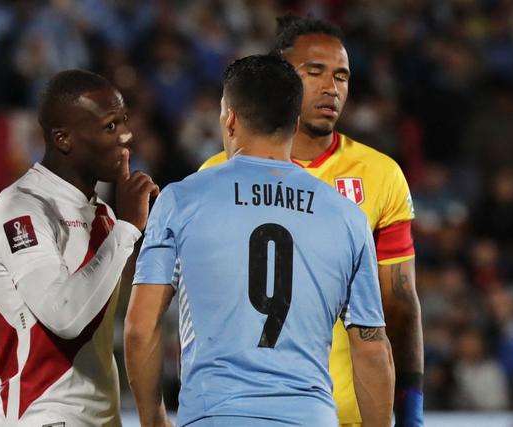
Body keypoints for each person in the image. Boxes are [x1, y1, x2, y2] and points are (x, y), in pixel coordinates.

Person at [125, 54, 394, 427]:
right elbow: (371, 348)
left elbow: (141, 327)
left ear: (230, 118)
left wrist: (153, 419)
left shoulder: (181, 200)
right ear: (295, 122)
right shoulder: (347, 216)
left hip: (214, 416)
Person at [200, 16, 423, 427]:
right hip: (246, 412)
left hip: (353, 416)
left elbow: (401, 306)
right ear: (282, 78)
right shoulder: (215, 175)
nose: (331, 87)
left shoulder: (380, 174)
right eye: (315, 72)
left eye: (341, 76)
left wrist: (411, 411)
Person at [0, 69, 159, 426]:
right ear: (64, 139)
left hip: (102, 418)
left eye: (124, 121)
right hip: (43, 416)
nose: (126, 135)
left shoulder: (106, 214)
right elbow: (63, 316)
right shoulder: (21, 208)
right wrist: (126, 230)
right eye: (110, 126)